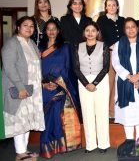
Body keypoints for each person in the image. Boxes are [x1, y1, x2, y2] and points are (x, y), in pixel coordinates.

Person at [2, 16, 45, 160]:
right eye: (25, 25)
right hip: (19, 88)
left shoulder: (31, 43)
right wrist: (20, 87)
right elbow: (9, 67)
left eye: (32, 26)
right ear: (18, 27)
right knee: (19, 121)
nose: (29, 28)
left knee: (27, 121)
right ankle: (20, 153)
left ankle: (24, 151)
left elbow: (36, 66)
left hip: (33, 90)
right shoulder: (12, 43)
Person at [39, 20, 82, 158]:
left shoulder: (64, 47)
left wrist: (58, 82)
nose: (51, 31)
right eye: (48, 29)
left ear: (58, 31)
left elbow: (68, 67)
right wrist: (44, 82)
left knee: (57, 114)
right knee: (46, 117)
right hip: (44, 85)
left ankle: (60, 146)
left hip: (61, 85)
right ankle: (47, 147)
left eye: (54, 29)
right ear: (45, 31)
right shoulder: (39, 47)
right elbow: (36, 68)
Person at [112, 17, 139, 141]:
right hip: (125, 83)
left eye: (133, 27)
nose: (131, 29)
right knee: (128, 112)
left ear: (137, 28)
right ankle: (129, 142)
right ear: (124, 30)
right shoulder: (119, 44)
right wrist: (130, 77)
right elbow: (116, 63)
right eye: (127, 27)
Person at [73, 22, 110, 153]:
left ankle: (103, 144)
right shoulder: (78, 46)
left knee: (101, 112)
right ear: (84, 33)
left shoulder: (103, 46)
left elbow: (106, 67)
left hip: (100, 81)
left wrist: (94, 83)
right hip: (83, 81)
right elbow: (76, 68)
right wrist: (86, 83)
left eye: (93, 30)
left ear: (97, 32)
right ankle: (90, 144)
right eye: (87, 30)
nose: (90, 33)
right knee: (87, 113)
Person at [96, 0, 125, 119]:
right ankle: (106, 111)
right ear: (106, 7)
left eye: (114, 5)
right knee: (109, 83)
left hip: (123, 54)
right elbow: (98, 37)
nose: (112, 7)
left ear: (117, 7)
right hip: (109, 53)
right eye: (109, 5)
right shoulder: (101, 20)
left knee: (121, 82)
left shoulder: (123, 20)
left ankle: (116, 111)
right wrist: (109, 46)